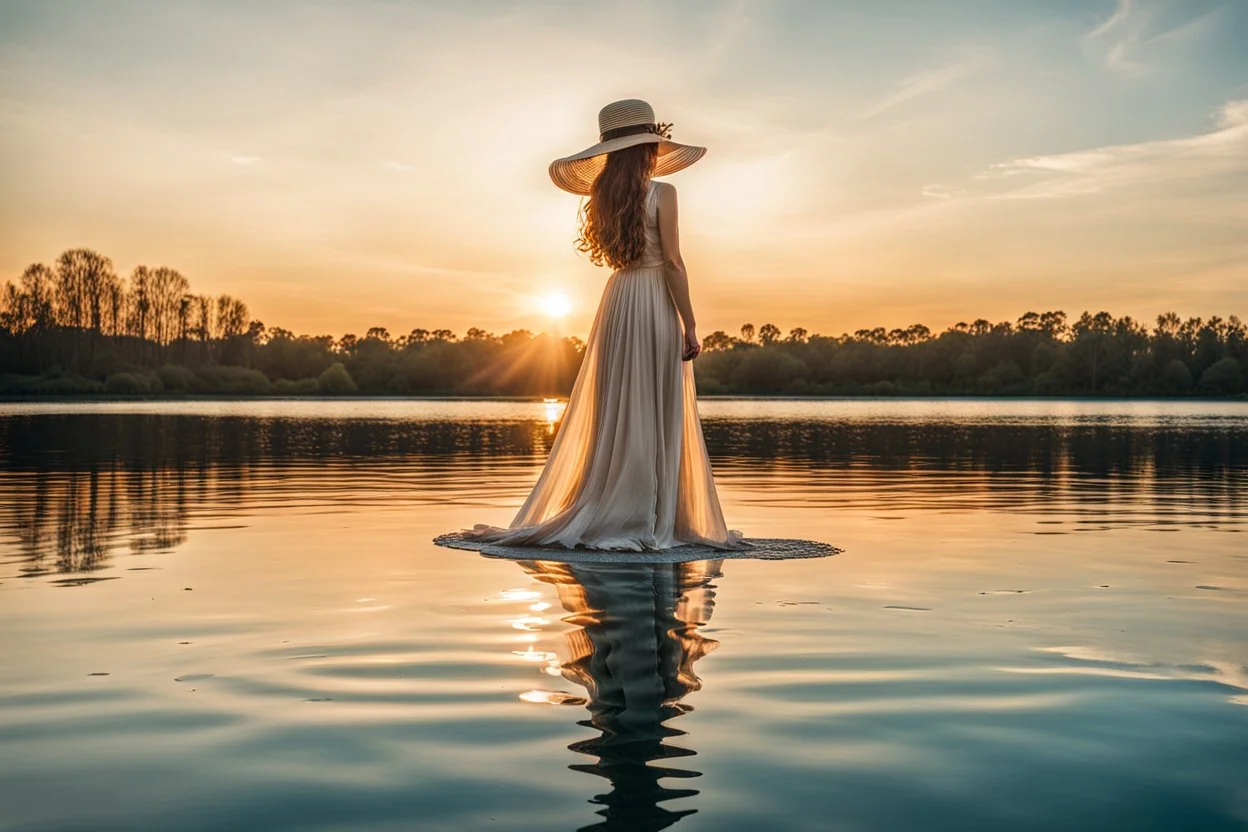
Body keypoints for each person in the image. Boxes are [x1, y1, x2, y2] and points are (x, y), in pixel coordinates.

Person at [465, 99, 744, 551]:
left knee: (619, 407)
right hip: (653, 301)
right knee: (655, 405)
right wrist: (691, 324)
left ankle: (616, 505)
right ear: (648, 149)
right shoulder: (665, 194)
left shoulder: (602, 199)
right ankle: (654, 516)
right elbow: (672, 261)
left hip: (618, 302)